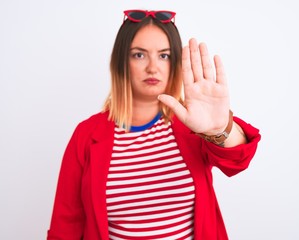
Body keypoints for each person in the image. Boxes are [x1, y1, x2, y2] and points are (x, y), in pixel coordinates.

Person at [47, 9, 261, 240]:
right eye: (139, 55)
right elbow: (65, 226)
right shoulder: (86, 135)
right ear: (121, 62)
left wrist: (218, 129)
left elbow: (237, 160)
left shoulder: (191, 123)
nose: (152, 67)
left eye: (164, 55)